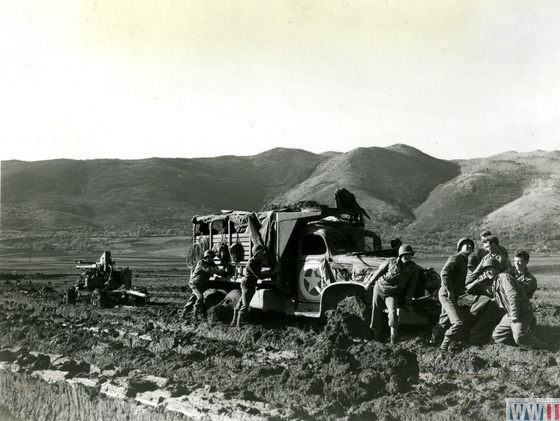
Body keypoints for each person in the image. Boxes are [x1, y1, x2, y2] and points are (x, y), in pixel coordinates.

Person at [483, 258, 548, 349]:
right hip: (510, 313)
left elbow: (513, 295)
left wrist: (514, 315)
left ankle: (543, 346)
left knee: (519, 337)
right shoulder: (496, 281)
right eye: (485, 270)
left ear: (497, 269)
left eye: (490, 269)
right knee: (496, 336)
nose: (487, 272)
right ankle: (497, 350)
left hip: (522, 312)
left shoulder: (504, 277)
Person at [364, 244, 419, 344]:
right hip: (379, 288)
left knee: (392, 313)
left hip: (392, 293)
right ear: (400, 256)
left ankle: (393, 339)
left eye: (409, 255)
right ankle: (375, 336)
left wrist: (408, 302)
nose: (407, 257)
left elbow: (412, 286)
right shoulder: (390, 262)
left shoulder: (413, 268)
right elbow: (379, 272)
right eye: (405, 255)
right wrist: (369, 283)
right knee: (376, 311)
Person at [430, 238, 474, 351]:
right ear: (460, 247)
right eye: (466, 245)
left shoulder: (464, 260)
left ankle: (433, 341)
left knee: (444, 320)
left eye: (470, 245)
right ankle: (444, 346)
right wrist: (449, 291)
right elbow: (444, 273)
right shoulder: (456, 257)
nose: (469, 246)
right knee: (458, 322)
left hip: (451, 294)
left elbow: (456, 278)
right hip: (447, 294)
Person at [231, 244, 275, 327]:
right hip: (246, 285)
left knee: (241, 303)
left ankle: (234, 322)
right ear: (256, 254)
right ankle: (238, 325)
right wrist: (272, 273)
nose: (262, 254)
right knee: (245, 305)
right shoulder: (251, 263)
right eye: (260, 253)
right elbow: (260, 276)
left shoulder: (257, 262)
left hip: (251, 285)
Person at [183, 250, 227, 320]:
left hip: (201, 285)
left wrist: (224, 271)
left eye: (212, 257)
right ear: (206, 257)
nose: (212, 258)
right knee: (200, 297)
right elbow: (209, 270)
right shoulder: (201, 263)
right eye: (210, 257)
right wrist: (221, 271)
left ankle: (183, 314)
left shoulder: (211, 263)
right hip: (195, 283)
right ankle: (195, 315)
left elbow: (217, 270)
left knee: (192, 299)